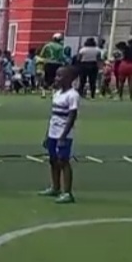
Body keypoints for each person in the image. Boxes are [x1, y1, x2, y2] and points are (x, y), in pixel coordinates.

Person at [39, 66, 79, 204]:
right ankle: (55, 187)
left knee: (63, 161)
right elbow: (53, 116)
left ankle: (67, 193)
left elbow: (72, 116)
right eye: (56, 75)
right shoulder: (57, 93)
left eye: (60, 76)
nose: (56, 78)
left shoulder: (72, 95)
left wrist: (63, 136)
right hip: (53, 132)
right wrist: (47, 134)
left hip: (64, 133)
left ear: (69, 78)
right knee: (53, 160)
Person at [38, 33, 65, 98]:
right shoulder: (61, 47)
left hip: (48, 63)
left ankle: (43, 93)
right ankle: (53, 94)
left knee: (46, 78)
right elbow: (61, 57)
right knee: (55, 78)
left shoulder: (47, 45)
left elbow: (41, 54)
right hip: (57, 64)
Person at [115, 37, 132, 101]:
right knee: (131, 82)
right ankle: (131, 97)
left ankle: (120, 97)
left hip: (124, 64)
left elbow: (118, 46)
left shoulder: (126, 48)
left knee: (121, 82)